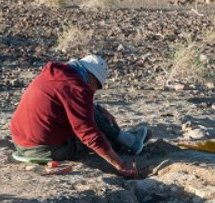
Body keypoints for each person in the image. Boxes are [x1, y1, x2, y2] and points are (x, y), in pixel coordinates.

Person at [9, 53, 144, 178]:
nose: (94, 90)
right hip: (44, 149)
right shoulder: (78, 88)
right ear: (92, 76)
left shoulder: (57, 74)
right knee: (94, 136)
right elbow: (88, 134)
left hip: (20, 142)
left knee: (92, 111)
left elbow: (68, 99)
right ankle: (125, 141)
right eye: (97, 85)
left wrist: (96, 107)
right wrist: (120, 165)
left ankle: (124, 138)